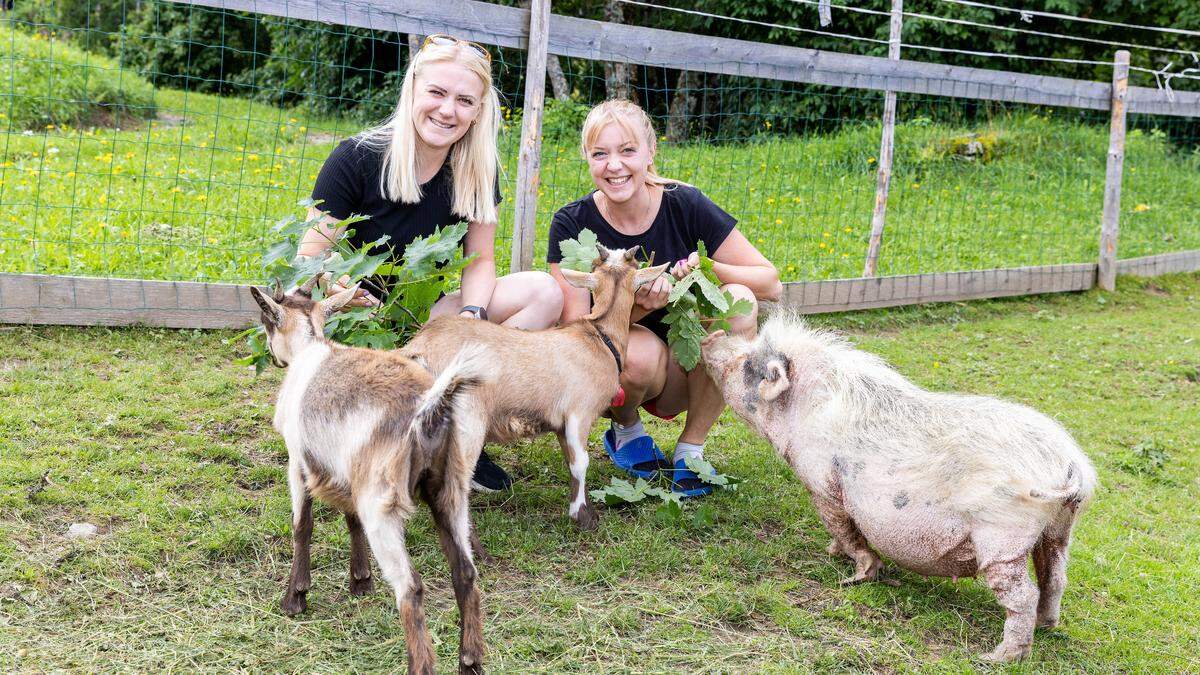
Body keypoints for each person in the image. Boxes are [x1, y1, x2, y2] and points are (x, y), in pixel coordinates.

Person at [300, 34, 563, 492]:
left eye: (464, 100)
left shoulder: (476, 171)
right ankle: (392, 433)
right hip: (367, 319)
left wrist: (472, 319)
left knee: (544, 291)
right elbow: (308, 257)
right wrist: (340, 286)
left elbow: (480, 262)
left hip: (432, 318)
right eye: (438, 93)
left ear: (479, 111)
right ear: (414, 90)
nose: (448, 110)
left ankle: (460, 430)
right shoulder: (357, 158)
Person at [547, 99, 782, 497]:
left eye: (627, 150)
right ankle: (627, 431)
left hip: (689, 367)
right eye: (600, 154)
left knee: (739, 298)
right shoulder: (572, 224)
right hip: (625, 373)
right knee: (635, 355)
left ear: (650, 151)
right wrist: (635, 308)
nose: (614, 165)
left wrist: (708, 268)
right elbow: (574, 330)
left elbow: (770, 282)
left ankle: (691, 450)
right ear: (587, 159)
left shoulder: (684, 204)